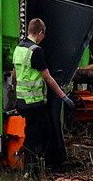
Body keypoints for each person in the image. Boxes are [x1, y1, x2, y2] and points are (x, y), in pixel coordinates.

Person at [10, 18, 75, 169]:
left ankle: (28, 165)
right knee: (39, 134)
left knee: (32, 132)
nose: (43, 38)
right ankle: (31, 169)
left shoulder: (18, 49)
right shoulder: (36, 51)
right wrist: (64, 97)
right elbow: (48, 78)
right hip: (34, 102)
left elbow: (14, 75)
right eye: (43, 35)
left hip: (22, 100)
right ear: (39, 33)